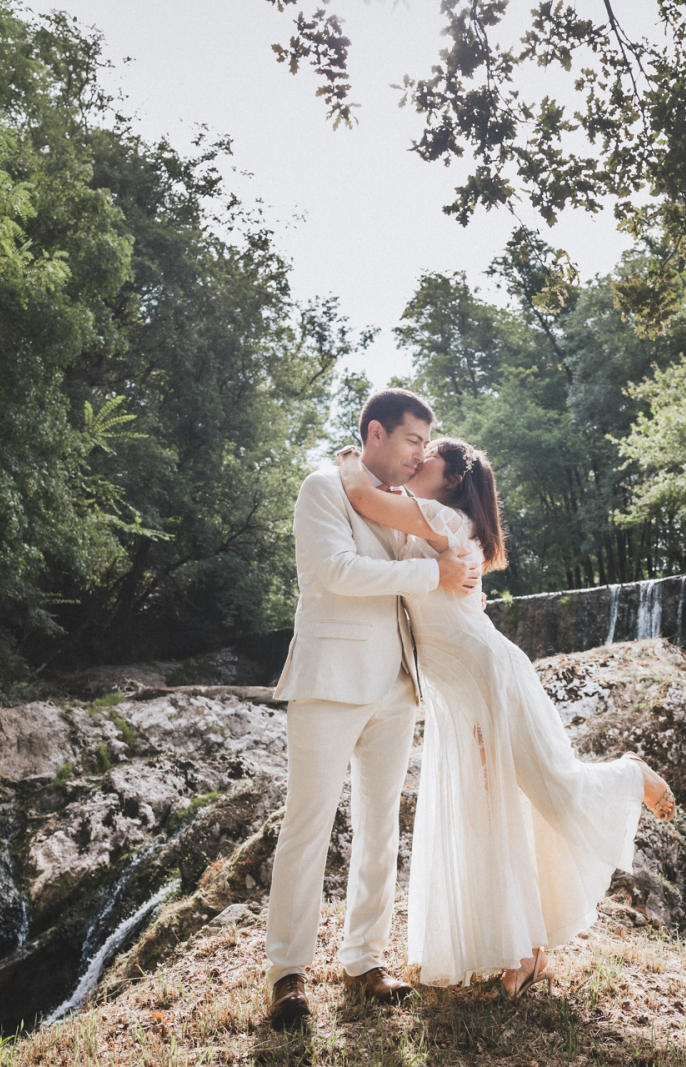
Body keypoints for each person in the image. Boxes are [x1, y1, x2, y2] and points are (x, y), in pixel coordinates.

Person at [334, 437, 675, 996]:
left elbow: (364, 497)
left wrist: (350, 457)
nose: (418, 460)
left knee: (552, 791)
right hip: (458, 692)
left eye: (430, 456)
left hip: (491, 677)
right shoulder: (429, 521)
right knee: (491, 813)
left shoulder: (443, 517)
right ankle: (525, 951)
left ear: (450, 480)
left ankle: (630, 774)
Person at [263, 389, 482, 1031]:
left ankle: (364, 961)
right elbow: (336, 571)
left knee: (381, 827)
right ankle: (287, 974)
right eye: (414, 440)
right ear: (378, 433)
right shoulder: (322, 487)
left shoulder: (408, 505)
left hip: (398, 686)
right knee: (307, 827)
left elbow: (449, 573)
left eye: (427, 444)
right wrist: (429, 576)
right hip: (329, 681)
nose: (421, 454)